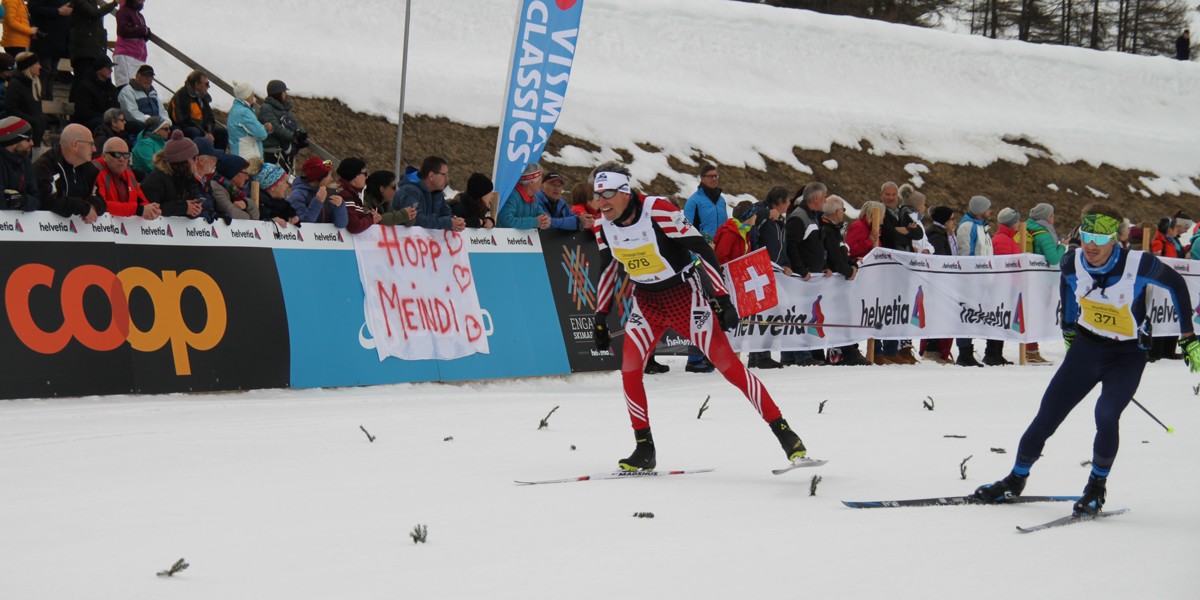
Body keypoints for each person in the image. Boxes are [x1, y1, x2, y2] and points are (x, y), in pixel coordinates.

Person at [973, 203, 1200, 516]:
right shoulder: (1072, 260)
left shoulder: (1139, 263)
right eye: (1087, 234)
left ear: (1115, 239)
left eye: (1100, 236)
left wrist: (1188, 337)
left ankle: (1096, 487)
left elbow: (1176, 284)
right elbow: (1067, 289)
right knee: (1047, 415)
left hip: (1127, 356)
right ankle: (1015, 479)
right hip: (1086, 349)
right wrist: (1068, 329)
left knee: (1106, 415)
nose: (1091, 244)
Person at [588, 161, 811, 470]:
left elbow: (702, 250)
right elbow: (609, 268)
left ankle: (787, 435)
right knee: (629, 371)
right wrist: (601, 314)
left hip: (685, 297)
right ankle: (644, 449)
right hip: (647, 302)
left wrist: (720, 297)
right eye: (597, 195)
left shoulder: (658, 210)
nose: (601, 203)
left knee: (730, 368)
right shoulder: (601, 224)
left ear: (625, 192)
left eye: (608, 194)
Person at [820, 195, 870, 367]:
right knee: (838, 316)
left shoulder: (833, 228)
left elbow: (841, 254)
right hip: (833, 280)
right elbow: (835, 257)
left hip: (837, 278)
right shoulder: (828, 230)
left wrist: (852, 264)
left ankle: (846, 349)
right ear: (836, 211)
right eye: (843, 210)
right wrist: (849, 270)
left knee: (843, 315)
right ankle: (843, 352)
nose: (843, 214)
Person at [745, 186, 791, 370]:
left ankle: (759, 354)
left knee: (774, 311)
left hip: (776, 270)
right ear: (779, 201)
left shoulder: (779, 220)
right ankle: (760, 354)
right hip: (760, 270)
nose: (789, 205)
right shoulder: (761, 210)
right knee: (766, 313)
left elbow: (781, 245)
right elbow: (746, 213)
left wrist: (787, 262)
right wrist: (766, 213)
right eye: (787, 201)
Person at [33, 122, 102, 221]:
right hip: (45, 230)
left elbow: (101, 198)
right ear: (75, 145)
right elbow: (45, 202)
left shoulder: (90, 169)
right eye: (91, 144)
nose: (95, 149)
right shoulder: (44, 167)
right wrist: (81, 207)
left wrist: (94, 207)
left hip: (78, 232)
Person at [955, 195, 993, 367]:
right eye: (987, 208)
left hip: (982, 278)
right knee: (966, 314)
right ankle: (964, 352)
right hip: (971, 278)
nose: (990, 211)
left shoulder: (981, 226)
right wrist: (970, 275)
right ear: (980, 211)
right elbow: (965, 252)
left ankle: (968, 350)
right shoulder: (967, 226)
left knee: (973, 315)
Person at [1024, 202, 1064, 365]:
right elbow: (1054, 259)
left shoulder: (1028, 228)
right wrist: (1062, 247)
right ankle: (1032, 351)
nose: (1054, 218)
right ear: (1047, 217)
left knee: (1030, 313)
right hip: (1042, 280)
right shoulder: (1045, 234)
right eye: (1052, 215)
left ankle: (1029, 349)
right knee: (1036, 315)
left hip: (1030, 278)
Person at [919, 205, 958, 364]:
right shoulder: (936, 234)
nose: (954, 222)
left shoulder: (944, 233)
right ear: (945, 220)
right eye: (952, 219)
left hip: (944, 280)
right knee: (936, 313)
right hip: (937, 281)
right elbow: (940, 258)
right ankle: (931, 348)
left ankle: (937, 349)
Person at [140, 130, 207, 219]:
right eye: (194, 158)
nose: (196, 161)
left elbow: (187, 205)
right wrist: (184, 207)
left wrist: (194, 210)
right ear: (183, 161)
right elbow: (152, 210)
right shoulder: (156, 180)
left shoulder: (188, 177)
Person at [985, 207, 1023, 366]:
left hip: (1008, 285)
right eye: (1017, 221)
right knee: (998, 319)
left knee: (1003, 319)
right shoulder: (1002, 239)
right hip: (1001, 286)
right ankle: (992, 353)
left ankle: (997, 353)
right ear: (1012, 223)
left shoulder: (1008, 238)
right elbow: (1001, 266)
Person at [392, 155, 464, 231]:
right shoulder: (409, 191)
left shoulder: (437, 194)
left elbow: (446, 215)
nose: (447, 179)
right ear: (431, 176)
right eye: (444, 175)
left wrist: (456, 223)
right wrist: (448, 223)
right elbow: (416, 220)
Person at [94, 136, 158, 219]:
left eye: (126, 155)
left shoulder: (129, 172)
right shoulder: (94, 171)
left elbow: (141, 201)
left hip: (125, 227)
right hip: (101, 228)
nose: (122, 159)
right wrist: (138, 210)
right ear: (104, 156)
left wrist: (151, 209)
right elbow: (100, 205)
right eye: (116, 154)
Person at [67, 0, 117, 101]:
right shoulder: (80, 2)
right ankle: (74, 107)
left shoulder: (92, 3)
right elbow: (93, 14)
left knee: (90, 82)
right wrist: (114, 3)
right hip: (83, 50)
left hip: (92, 50)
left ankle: (84, 106)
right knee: (81, 80)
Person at [169, 69, 226, 150]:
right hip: (183, 130)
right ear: (196, 84)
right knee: (194, 131)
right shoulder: (181, 96)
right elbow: (183, 120)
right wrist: (204, 133)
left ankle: (218, 159)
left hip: (202, 130)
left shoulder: (203, 97)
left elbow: (210, 118)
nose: (208, 87)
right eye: (206, 84)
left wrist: (209, 133)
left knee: (223, 133)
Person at [257, 79, 305, 171]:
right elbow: (275, 127)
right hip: (272, 151)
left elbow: (294, 121)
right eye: (283, 92)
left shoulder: (285, 107)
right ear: (277, 93)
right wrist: (293, 137)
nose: (285, 94)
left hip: (284, 150)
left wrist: (300, 132)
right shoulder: (266, 108)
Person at [27, 0, 69, 100]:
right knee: (44, 70)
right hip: (44, 39)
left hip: (59, 40)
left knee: (53, 71)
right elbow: (33, 8)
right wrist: (57, 11)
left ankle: (48, 100)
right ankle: (40, 101)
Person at [289, 157, 346, 227]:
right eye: (329, 176)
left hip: (327, 237)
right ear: (316, 181)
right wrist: (318, 202)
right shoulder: (298, 195)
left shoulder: (328, 192)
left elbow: (341, 225)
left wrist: (340, 206)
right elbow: (303, 224)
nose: (332, 179)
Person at [0, 116, 39, 211]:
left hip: (16, 222)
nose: (32, 143)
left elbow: (37, 199)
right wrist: (11, 201)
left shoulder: (24, 161)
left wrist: (22, 201)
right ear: (13, 141)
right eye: (28, 139)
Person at [5, 52, 43, 145]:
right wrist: (32, 121)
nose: (40, 67)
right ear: (28, 66)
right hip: (22, 136)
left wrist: (41, 121)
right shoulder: (15, 84)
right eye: (36, 64)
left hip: (35, 133)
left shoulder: (34, 83)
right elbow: (10, 109)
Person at [70, 54, 117, 129]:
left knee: (134, 125)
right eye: (108, 67)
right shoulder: (85, 87)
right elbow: (83, 111)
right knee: (104, 124)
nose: (111, 70)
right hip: (88, 122)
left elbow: (116, 106)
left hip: (109, 120)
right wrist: (106, 117)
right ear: (99, 69)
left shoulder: (111, 88)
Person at [497, 162, 549, 229]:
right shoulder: (511, 196)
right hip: (503, 238)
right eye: (540, 180)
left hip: (520, 239)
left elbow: (541, 215)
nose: (541, 184)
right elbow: (506, 220)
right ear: (531, 182)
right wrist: (535, 222)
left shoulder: (533, 198)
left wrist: (545, 221)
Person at [683, 163, 727, 243]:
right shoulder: (693, 201)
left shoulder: (721, 200)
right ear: (702, 178)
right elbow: (686, 227)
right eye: (710, 176)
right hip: (704, 248)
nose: (714, 179)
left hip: (722, 246)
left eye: (716, 176)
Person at [117, 63, 165, 137]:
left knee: (175, 129)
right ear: (137, 76)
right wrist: (149, 120)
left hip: (156, 124)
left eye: (151, 76)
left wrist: (166, 122)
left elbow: (162, 111)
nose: (148, 79)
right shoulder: (127, 91)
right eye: (145, 76)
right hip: (139, 125)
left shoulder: (153, 92)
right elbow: (131, 113)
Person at [210, 153, 257, 221]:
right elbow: (233, 214)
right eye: (245, 174)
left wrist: (246, 203)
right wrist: (249, 216)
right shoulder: (216, 188)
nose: (247, 178)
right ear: (233, 174)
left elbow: (256, 217)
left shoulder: (236, 191)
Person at [227, 80, 267, 159]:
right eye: (252, 94)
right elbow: (261, 133)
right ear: (246, 95)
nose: (253, 96)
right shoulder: (244, 113)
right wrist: (265, 127)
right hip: (248, 157)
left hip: (240, 155)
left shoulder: (236, 109)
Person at [335, 157, 376, 234]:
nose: (367, 177)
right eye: (365, 174)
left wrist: (367, 215)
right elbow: (353, 226)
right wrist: (371, 218)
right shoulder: (345, 194)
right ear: (356, 176)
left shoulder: (351, 192)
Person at [112, 0, 148, 87]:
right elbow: (123, 31)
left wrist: (146, 32)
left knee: (138, 88)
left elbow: (140, 35)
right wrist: (142, 30)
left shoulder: (139, 16)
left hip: (138, 55)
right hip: (126, 53)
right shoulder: (123, 11)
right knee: (126, 86)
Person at [254, 162, 297, 228]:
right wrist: (269, 222)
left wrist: (294, 219)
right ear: (272, 187)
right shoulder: (257, 206)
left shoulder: (284, 207)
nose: (287, 186)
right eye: (284, 182)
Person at [713, 199, 757, 264]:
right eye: (754, 214)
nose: (756, 216)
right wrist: (734, 271)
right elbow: (720, 258)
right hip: (726, 273)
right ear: (749, 217)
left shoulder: (745, 231)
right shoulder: (730, 232)